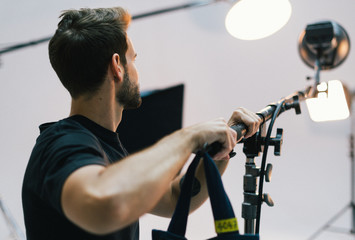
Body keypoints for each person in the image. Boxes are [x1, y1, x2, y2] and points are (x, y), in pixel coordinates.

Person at [21, 7, 261, 240]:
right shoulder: (62, 142)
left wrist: (223, 145)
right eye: (133, 59)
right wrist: (188, 137)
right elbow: (104, 202)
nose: (136, 70)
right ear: (117, 66)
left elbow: (174, 197)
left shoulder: (105, 149)